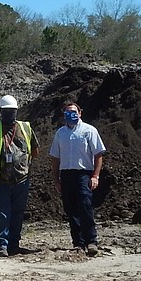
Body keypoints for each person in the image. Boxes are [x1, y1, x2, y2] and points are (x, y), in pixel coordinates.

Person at [0, 95, 39, 257]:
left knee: (18, 212)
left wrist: (25, 164)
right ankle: (2, 245)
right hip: (0, 179)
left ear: (16, 111)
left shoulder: (25, 128)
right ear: (0, 112)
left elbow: (34, 150)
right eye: (6, 111)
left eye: (11, 111)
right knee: (2, 213)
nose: (9, 114)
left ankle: (14, 244)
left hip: (21, 178)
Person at [50, 101, 106, 257]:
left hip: (83, 174)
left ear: (80, 113)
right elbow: (55, 157)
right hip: (66, 174)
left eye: (74, 112)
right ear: (63, 115)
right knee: (71, 209)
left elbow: (98, 154)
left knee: (85, 205)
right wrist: (56, 179)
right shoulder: (60, 133)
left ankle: (91, 241)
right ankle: (78, 243)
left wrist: (95, 175)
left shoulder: (89, 131)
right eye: (67, 112)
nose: (71, 115)